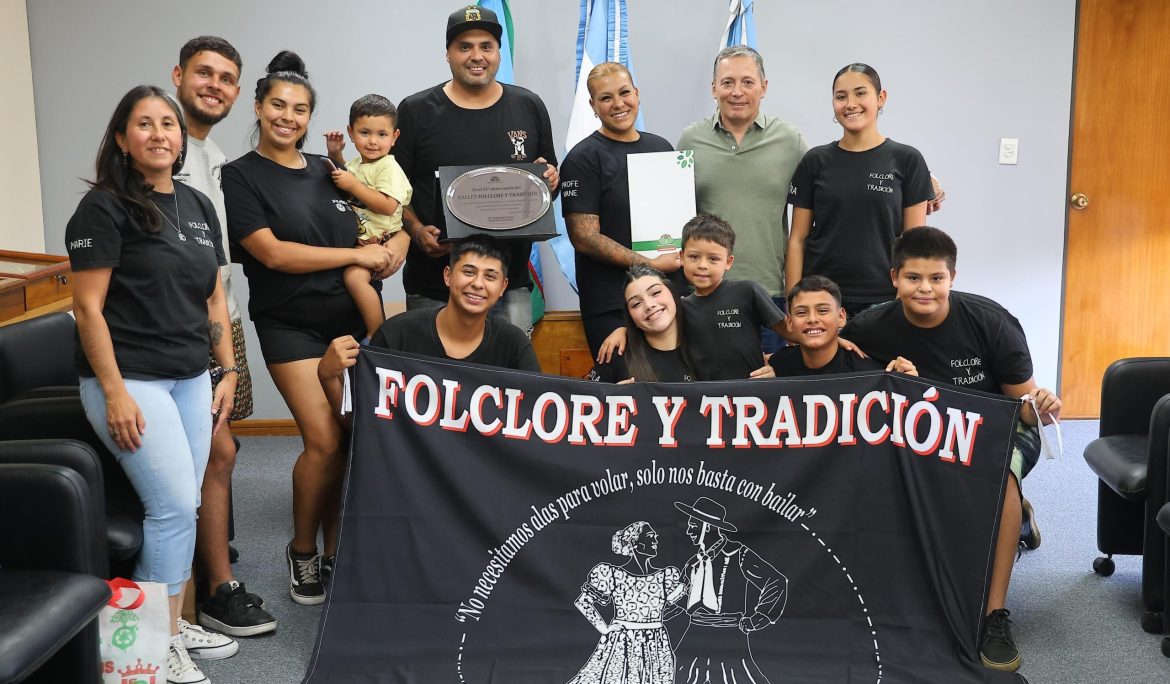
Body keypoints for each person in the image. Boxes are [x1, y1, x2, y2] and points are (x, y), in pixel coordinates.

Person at [67, 85, 238, 684]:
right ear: (122, 139)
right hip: (131, 380)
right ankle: (151, 642)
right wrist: (113, 392)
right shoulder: (104, 209)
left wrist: (228, 369)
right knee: (171, 508)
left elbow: (212, 294)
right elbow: (88, 310)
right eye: (144, 124)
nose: (160, 133)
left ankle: (162, 622)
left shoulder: (195, 204)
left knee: (180, 508)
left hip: (192, 377)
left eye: (169, 123)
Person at [842, 226, 1061, 672]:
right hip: (919, 434)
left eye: (936, 279)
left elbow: (1025, 411)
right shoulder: (869, 326)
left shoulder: (991, 321)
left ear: (952, 277)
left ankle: (995, 614)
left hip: (997, 432)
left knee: (1001, 487)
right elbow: (835, 367)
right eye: (914, 278)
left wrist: (1043, 405)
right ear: (894, 278)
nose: (925, 289)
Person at [222, 51, 394, 606]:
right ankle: (302, 553)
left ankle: (337, 551)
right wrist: (349, 255)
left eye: (300, 109)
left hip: (351, 326)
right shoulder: (240, 176)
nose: (288, 117)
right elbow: (271, 254)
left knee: (352, 440)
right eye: (278, 105)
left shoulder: (329, 169)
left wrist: (378, 252)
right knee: (322, 439)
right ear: (258, 107)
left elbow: (374, 226)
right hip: (290, 328)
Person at [170, 34, 277, 638]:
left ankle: (211, 556)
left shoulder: (211, 156)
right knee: (218, 450)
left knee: (220, 447)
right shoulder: (162, 144)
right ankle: (212, 588)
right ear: (179, 74)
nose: (214, 85)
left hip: (220, 316)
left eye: (226, 78)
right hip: (180, 329)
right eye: (204, 74)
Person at [395, 5, 558, 333]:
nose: (476, 56)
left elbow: (548, 184)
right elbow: (392, 193)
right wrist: (415, 231)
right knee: (439, 383)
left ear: (499, 52)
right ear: (448, 54)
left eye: (486, 46)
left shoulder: (528, 106)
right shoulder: (415, 111)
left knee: (509, 382)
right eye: (464, 46)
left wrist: (549, 182)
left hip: (508, 284)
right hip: (433, 286)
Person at [677, 46, 808, 354]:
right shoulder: (690, 140)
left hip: (771, 296)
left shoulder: (790, 141)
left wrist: (925, 182)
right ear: (713, 88)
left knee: (769, 396)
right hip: (705, 294)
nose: (737, 92)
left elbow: (834, 179)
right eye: (727, 82)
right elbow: (669, 212)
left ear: (763, 87)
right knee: (710, 394)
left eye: (747, 82)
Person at [319, 235, 541, 415]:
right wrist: (328, 377)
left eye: (490, 276)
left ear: (503, 287)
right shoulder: (397, 335)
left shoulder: (513, 343)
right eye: (468, 272)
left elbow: (534, 420)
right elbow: (362, 422)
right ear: (448, 276)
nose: (477, 284)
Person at [786, 63, 935, 319]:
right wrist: (794, 306)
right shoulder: (815, 161)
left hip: (882, 300)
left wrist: (902, 302)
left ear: (881, 98)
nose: (850, 103)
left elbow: (914, 244)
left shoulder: (907, 160)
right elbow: (797, 240)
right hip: (821, 300)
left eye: (860, 93)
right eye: (841, 96)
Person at [560, 61, 685, 358]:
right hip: (612, 305)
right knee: (625, 394)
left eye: (624, 92)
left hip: (666, 295)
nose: (618, 104)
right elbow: (585, 237)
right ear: (592, 106)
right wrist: (652, 264)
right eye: (606, 98)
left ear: (637, 94)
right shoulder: (582, 159)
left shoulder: (662, 149)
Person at [323, 94, 413, 339]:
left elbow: (387, 205)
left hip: (381, 243)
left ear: (394, 137)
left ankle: (376, 334)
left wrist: (352, 185)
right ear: (351, 133)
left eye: (382, 135)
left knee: (354, 278)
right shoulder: (356, 164)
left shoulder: (389, 167)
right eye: (365, 133)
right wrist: (335, 156)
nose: (373, 141)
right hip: (360, 243)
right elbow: (347, 177)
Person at [670, 497, 787, 684]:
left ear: (707, 526)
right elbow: (678, 599)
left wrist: (761, 616)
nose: (688, 530)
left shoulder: (738, 553)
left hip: (729, 635)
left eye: (693, 525)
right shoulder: (693, 563)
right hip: (694, 635)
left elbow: (776, 581)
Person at [566, 522, 684, 684]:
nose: (656, 540)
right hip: (624, 643)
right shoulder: (612, 574)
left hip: (656, 644)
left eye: (655, 536)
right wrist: (604, 628)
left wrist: (687, 584)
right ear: (634, 543)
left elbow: (673, 603)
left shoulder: (666, 576)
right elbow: (583, 602)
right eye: (650, 537)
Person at [769, 275, 916, 377]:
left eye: (822, 311)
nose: (812, 319)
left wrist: (907, 382)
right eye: (801, 312)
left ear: (841, 317)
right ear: (789, 322)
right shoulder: (778, 365)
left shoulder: (866, 373)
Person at [590, 265, 694, 384]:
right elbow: (586, 398)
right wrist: (612, 398)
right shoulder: (616, 355)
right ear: (630, 316)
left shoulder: (705, 343)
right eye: (636, 304)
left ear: (673, 294)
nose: (649, 305)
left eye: (655, 293)